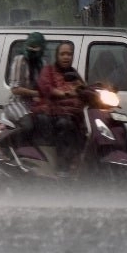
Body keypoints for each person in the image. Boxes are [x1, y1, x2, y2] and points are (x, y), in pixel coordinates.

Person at [0, 31, 45, 160]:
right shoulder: (20, 60)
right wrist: (35, 93)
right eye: (31, 47)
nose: (33, 50)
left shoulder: (41, 63)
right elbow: (15, 89)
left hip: (33, 104)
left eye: (36, 47)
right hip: (17, 103)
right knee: (28, 125)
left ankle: (28, 156)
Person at [37, 40, 85, 174]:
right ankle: (62, 168)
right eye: (62, 54)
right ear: (57, 56)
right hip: (53, 114)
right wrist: (65, 93)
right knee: (66, 125)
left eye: (69, 54)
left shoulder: (73, 72)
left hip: (74, 115)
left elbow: (83, 87)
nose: (66, 57)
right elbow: (46, 88)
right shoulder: (49, 71)